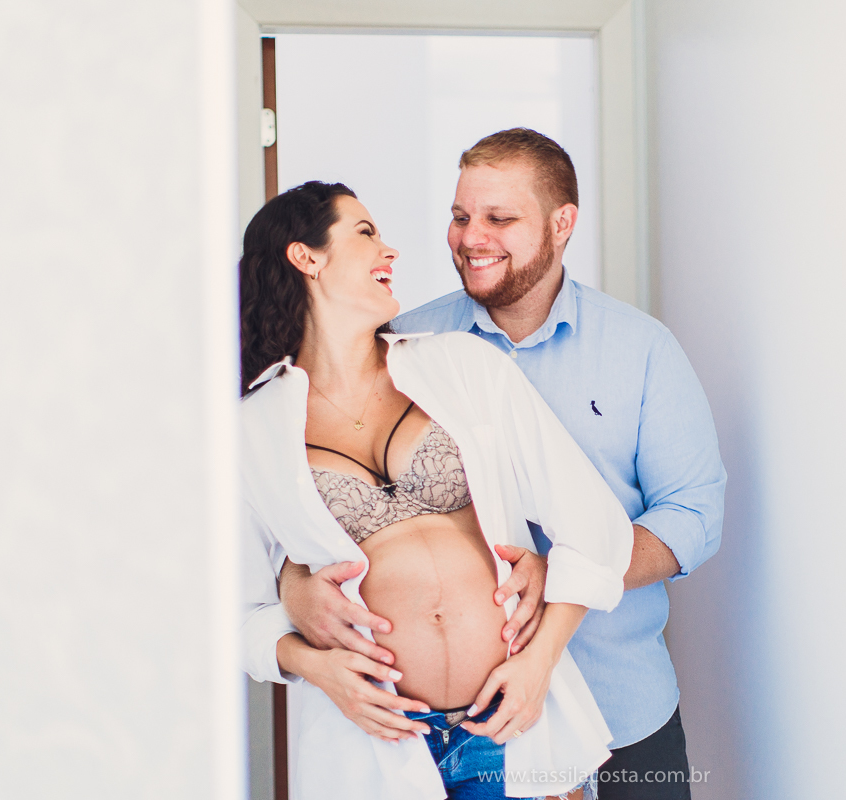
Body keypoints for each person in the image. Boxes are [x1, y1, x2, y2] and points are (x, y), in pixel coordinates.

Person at [281, 129, 727, 800]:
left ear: (562, 223)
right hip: (464, 733)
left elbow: (694, 514)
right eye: (461, 216)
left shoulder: (642, 349)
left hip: (621, 707)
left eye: (499, 218)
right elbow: (322, 495)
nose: (471, 238)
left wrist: (561, 573)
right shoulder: (402, 345)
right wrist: (295, 588)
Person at [238, 180, 634, 800]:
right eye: (365, 233)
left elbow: (595, 525)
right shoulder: (249, 430)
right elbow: (232, 614)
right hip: (375, 744)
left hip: (509, 725)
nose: (389, 250)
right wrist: (313, 662)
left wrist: (539, 663)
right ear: (306, 257)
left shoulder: (462, 365)